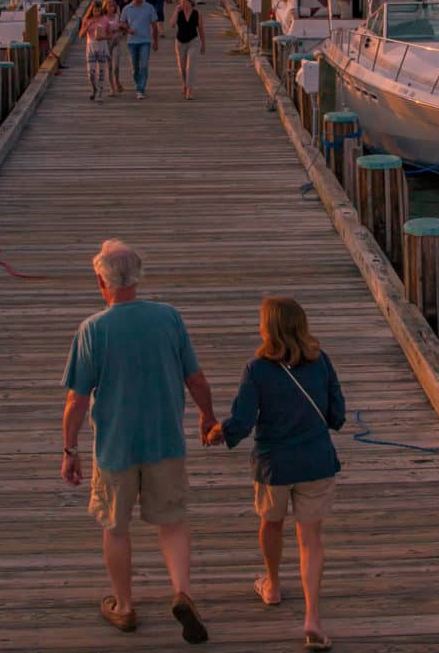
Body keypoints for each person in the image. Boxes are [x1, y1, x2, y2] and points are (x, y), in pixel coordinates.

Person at [62, 240, 218, 644]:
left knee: (115, 527)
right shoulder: (168, 318)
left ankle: (125, 607)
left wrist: (69, 449)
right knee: (172, 521)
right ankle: (181, 592)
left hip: (115, 448)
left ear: (101, 280)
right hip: (165, 440)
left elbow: (76, 400)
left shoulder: (92, 330)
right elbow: (196, 379)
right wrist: (207, 416)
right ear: (139, 275)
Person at [206, 296, 345, 651]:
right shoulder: (321, 361)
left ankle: (272, 585)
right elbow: (338, 415)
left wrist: (222, 432)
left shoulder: (257, 370)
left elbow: (243, 420)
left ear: (270, 329)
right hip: (316, 462)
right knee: (310, 539)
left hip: (274, 465)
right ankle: (312, 617)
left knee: (271, 523)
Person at [120, 0, 160, 98]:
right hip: (132, 42)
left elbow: (154, 26)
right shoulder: (127, 8)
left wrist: (155, 42)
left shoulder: (149, 8)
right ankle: (139, 83)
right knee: (135, 67)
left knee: (144, 65)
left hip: (145, 41)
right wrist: (128, 29)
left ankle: (140, 89)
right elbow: (122, 23)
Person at [83, 1, 120, 101]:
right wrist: (87, 26)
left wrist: (103, 37)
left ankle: (100, 93)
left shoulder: (105, 20)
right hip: (91, 47)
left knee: (102, 71)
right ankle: (94, 88)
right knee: (91, 72)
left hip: (102, 47)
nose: (97, 12)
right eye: (95, 10)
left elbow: (110, 35)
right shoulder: (87, 20)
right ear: (92, 10)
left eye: (99, 10)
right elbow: (81, 35)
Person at [171, 0, 206, 100]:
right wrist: (176, 11)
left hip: (193, 41)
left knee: (190, 66)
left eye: (185, 2)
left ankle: (189, 90)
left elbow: (201, 29)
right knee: (182, 67)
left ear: (191, 2)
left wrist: (203, 44)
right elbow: (172, 25)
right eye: (181, 2)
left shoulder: (197, 13)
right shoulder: (179, 12)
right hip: (180, 42)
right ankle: (185, 84)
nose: (183, 4)